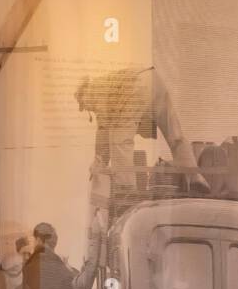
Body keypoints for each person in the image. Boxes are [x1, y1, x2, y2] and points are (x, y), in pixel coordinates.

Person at [75, 66, 208, 194]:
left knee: (119, 142)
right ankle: (195, 177)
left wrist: (98, 162)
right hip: (154, 79)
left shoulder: (94, 90)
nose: (86, 108)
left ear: (84, 92)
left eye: (83, 103)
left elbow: (103, 130)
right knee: (175, 135)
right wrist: (100, 160)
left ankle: (125, 191)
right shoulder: (108, 83)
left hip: (136, 85)